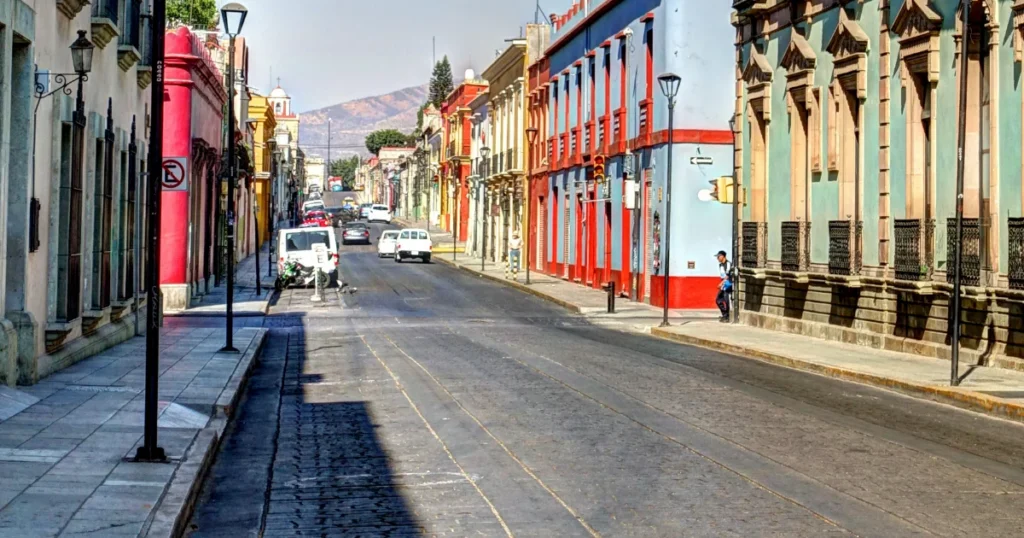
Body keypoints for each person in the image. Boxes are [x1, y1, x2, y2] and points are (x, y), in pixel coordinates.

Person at [715, 250, 732, 322]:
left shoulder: (728, 264)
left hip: (728, 285)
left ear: (722, 256)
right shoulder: (720, 265)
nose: (717, 258)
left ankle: (727, 317)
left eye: (718, 256)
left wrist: (721, 283)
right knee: (718, 300)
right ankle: (724, 314)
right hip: (724, 285)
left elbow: (728, 275)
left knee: (727, 301)